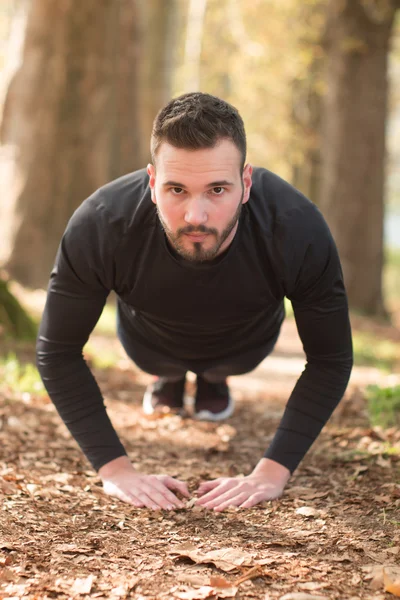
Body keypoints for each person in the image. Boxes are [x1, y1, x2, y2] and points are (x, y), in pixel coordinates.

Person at [36, 92, 353, 512]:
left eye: (217, 189)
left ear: (246, 184)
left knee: (220, 371)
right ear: (151, 183)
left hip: (246, 345)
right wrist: (115, 471)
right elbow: (57, 352)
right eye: (177, 189)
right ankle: (170, 378)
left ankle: (211, 380)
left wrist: (270, 474)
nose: (196, 215)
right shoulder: (102, 223)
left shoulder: (295, 226)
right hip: (148, 342)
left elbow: (331, 359)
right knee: (162, 366)